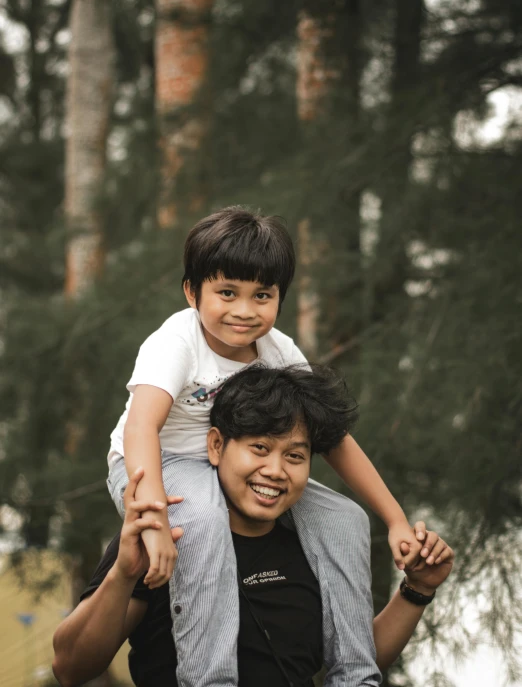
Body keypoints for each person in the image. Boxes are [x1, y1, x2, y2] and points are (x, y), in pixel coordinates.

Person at [106, 207, 435, 687]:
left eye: (262, 295)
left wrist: (395, 518)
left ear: (280, 296)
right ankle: (211, 678)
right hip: (156, 463)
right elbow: (141, 430)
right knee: (202, 519)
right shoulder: (175, 342)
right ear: (191, 291)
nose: (244, 310)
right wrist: (153, 519)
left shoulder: (278, 351)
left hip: (232, 461)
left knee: (345, 520)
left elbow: (334, 439)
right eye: (226, 293)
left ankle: (355, 676)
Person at [56, 366, 454, 687]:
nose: (276, 471)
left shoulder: (317, 543)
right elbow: (70, 667)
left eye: (295, 456)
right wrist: (123, 576)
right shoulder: (166, 534)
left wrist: (418, 589)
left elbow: (355, 661)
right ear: (216, 446)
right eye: (259, 449)